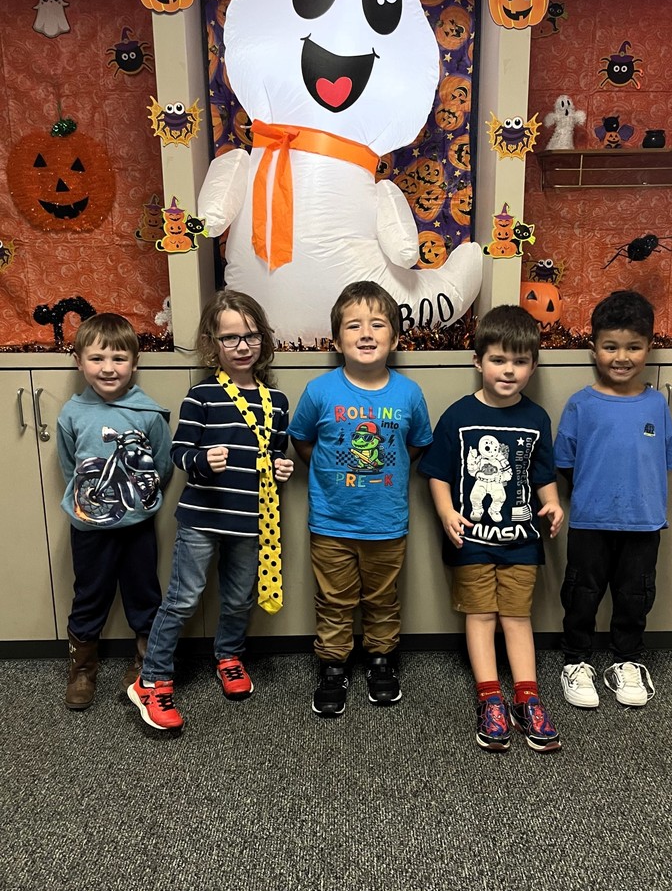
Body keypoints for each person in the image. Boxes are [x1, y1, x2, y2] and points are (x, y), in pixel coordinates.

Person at [127, 290, 294, 731]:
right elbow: (179, 453)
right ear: (212, 344)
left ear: (264, 340)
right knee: (183, 599)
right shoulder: (201, 395)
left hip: (252, 518)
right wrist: (202, 460)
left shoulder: (276, 403)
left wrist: (282, 466)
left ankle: (229, 656)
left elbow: (276, 453)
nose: (242, 347)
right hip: (202, 518)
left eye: (251, 336)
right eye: (230, 338)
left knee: (239, 597)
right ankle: (153, 680)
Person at [418, 305, 564, 753]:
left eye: (520, 362)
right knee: (481, 617)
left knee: (517, 619)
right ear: (477, 360)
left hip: (521, 542)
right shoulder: (458, 415)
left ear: (533, 367)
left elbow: (542, 473)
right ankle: (489, 699)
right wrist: (446, 512)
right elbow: (437, 471)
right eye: (499, 359)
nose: (509, 370)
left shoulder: (536, 418)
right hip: (471, 542)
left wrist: (553, 503)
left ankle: (527, 696)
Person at [288, 280, 433, 717]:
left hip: (386, 522)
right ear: (337, 340)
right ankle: (333, 666)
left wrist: (383, 471)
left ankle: (381, 660)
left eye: (377, 324)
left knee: (383, 599)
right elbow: (302, 441)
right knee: (334, 600)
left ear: (395, 337)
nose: (366, 333)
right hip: (331, 522)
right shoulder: (320, 391)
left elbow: (417, 443)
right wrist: (338, 472)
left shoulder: (408, 394)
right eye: (354, 326)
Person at [554, 289, 672, 709]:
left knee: (636, 595)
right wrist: (595, 494)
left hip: (644, 522)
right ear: (594, 349)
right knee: (582, 592)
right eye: (610, 346)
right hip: (590, 521)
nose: (621, 357)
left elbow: (662, 462)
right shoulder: (580, 404)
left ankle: (626, 660)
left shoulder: (657, 404)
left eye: (633, 347)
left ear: (649, 348)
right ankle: (576, 660)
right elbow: (566, 463)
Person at [57, 313, 173, 710]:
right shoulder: (72, 413)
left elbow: (162, 465)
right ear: (79, 362)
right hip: (89, 527)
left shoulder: (149, 413)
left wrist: (144, 500)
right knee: (90, 593)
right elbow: (69, 465)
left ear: (135, 363)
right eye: (97, 358)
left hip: (137, 524)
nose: (108, 368)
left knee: (144, 592)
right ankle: (83, 669)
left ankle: (146, 662)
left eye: (119, 358)